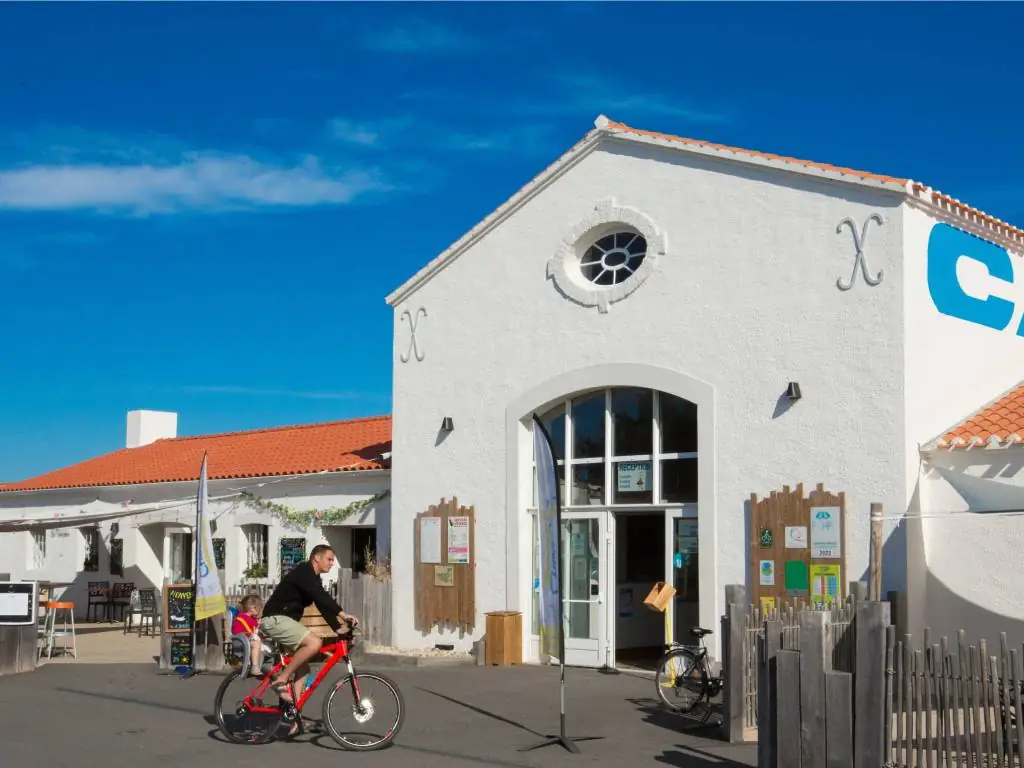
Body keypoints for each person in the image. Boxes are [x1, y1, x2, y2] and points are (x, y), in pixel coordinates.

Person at [260, 544, 358, 715]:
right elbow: (321, 596)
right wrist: (343, 614)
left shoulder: (312, 578)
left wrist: (338, 629)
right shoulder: (304, 572)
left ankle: (293, 714)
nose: (332, 563)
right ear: (316, 558)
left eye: (333, 560)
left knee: (303, 669)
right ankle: (283, 678)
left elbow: (321, 604)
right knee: (314, 643)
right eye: (329, 559)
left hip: (286, 622)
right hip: (274, 619)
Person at [231, 595, 264, 677]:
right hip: (242, 642)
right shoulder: (246, 618)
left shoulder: (241, 617)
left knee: (261, 645)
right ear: (252, 608)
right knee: (257, 643)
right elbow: (253, 630)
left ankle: (257, 666)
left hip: (241, 640)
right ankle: (255, 666)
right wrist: (258, 624)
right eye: (258, 608)